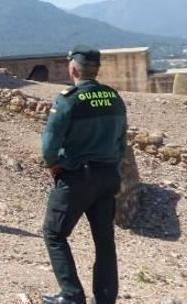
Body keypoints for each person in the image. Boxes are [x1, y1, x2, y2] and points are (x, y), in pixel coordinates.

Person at [39, 45, 127, 304]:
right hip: (108, 176)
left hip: (78, 177)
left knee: (54, 234)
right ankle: (106, 298)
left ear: (73, 68)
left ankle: (72, 295)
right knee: (104, 240)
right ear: (96, 69)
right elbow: (122, 141)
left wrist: (53, 164)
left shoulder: (68, 99)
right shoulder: (113, 97)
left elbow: (49, 144)